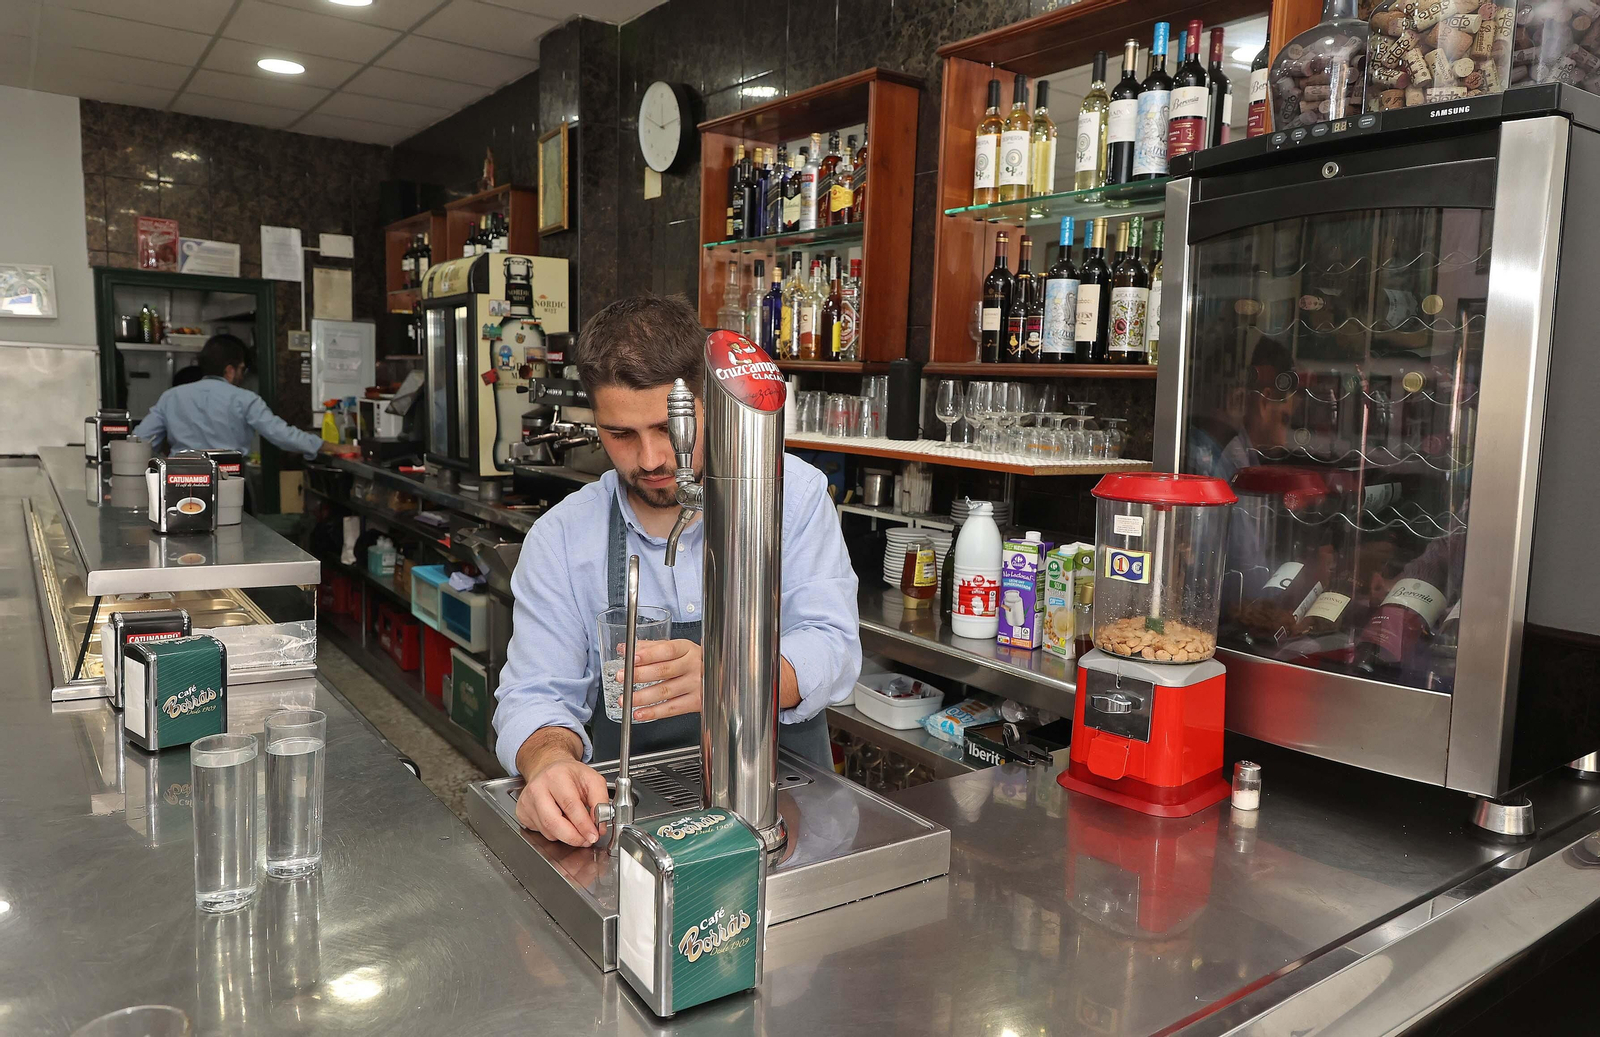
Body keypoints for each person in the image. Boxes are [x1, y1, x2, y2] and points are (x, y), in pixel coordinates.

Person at [494, 296, 860, 848]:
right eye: (621, 435)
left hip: (785, 798)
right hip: (634, 816)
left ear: (710, 403)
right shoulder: (563, 539)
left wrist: (735, 677)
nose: (650, 459)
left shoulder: (793, 494)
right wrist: (548, 764)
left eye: (669, 428)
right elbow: (535, 694)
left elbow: (831, 646)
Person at [133, 333, 352, 460]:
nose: (242, 375)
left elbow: (140, 440)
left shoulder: (171, 397)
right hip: (230, 482)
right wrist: (331, 446)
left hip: (179, 482)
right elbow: (282, 435)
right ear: (230, 370)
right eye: (241, 369)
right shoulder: (245, 399)